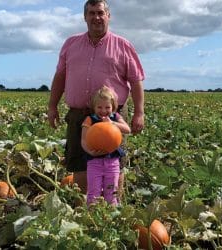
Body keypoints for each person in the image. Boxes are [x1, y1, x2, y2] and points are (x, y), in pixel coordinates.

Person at [47, 0, 145, 196]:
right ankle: (87, 209)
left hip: (112, 115)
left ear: (108, 16)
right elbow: (60, 76)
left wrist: (139, 113)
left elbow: (136, 81)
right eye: (91, 13)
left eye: (100, 13)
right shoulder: (71, 44)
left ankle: (113, 208)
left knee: (114, 162)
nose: (96, 17)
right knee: (79, 163)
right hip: (78, 114)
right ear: (85, 17)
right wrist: (52, 106)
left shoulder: (123, 45)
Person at [81, 86, 130, 206]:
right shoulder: (90, 119)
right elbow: (83, 140)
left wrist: (112, 123)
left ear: (113, 106)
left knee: (112, 192)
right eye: (99, 107)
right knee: (93, 192)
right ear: (94, 107)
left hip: (112, 161)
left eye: (107, 107)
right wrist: (90, 151)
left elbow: (127, 129)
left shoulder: (116, 117)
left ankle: (111, 217)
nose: (103, 111)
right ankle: (93, 219)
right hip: (94, 162)